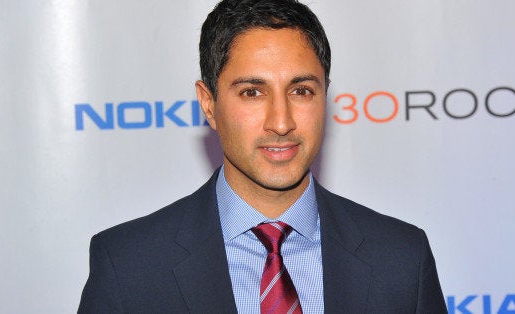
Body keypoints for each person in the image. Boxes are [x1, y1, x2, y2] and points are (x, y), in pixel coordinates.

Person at [78, 0, 447, 313]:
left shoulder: (401, 259)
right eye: (253, 92)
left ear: (325, 96)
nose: (282, 122)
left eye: (301, 90)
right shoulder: (128, 265)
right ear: (209, 104)